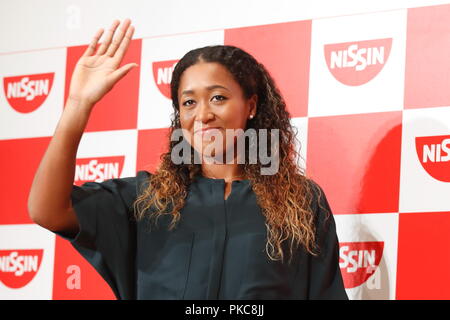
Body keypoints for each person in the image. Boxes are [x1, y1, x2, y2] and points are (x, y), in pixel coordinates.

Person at [27, 19, 348, 300]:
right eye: (189, 102)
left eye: (218, 97)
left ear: (251, 105)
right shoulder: (146, 200)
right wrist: (77, 104)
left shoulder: (301, 201)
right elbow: (48, 211)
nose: (203, 115)